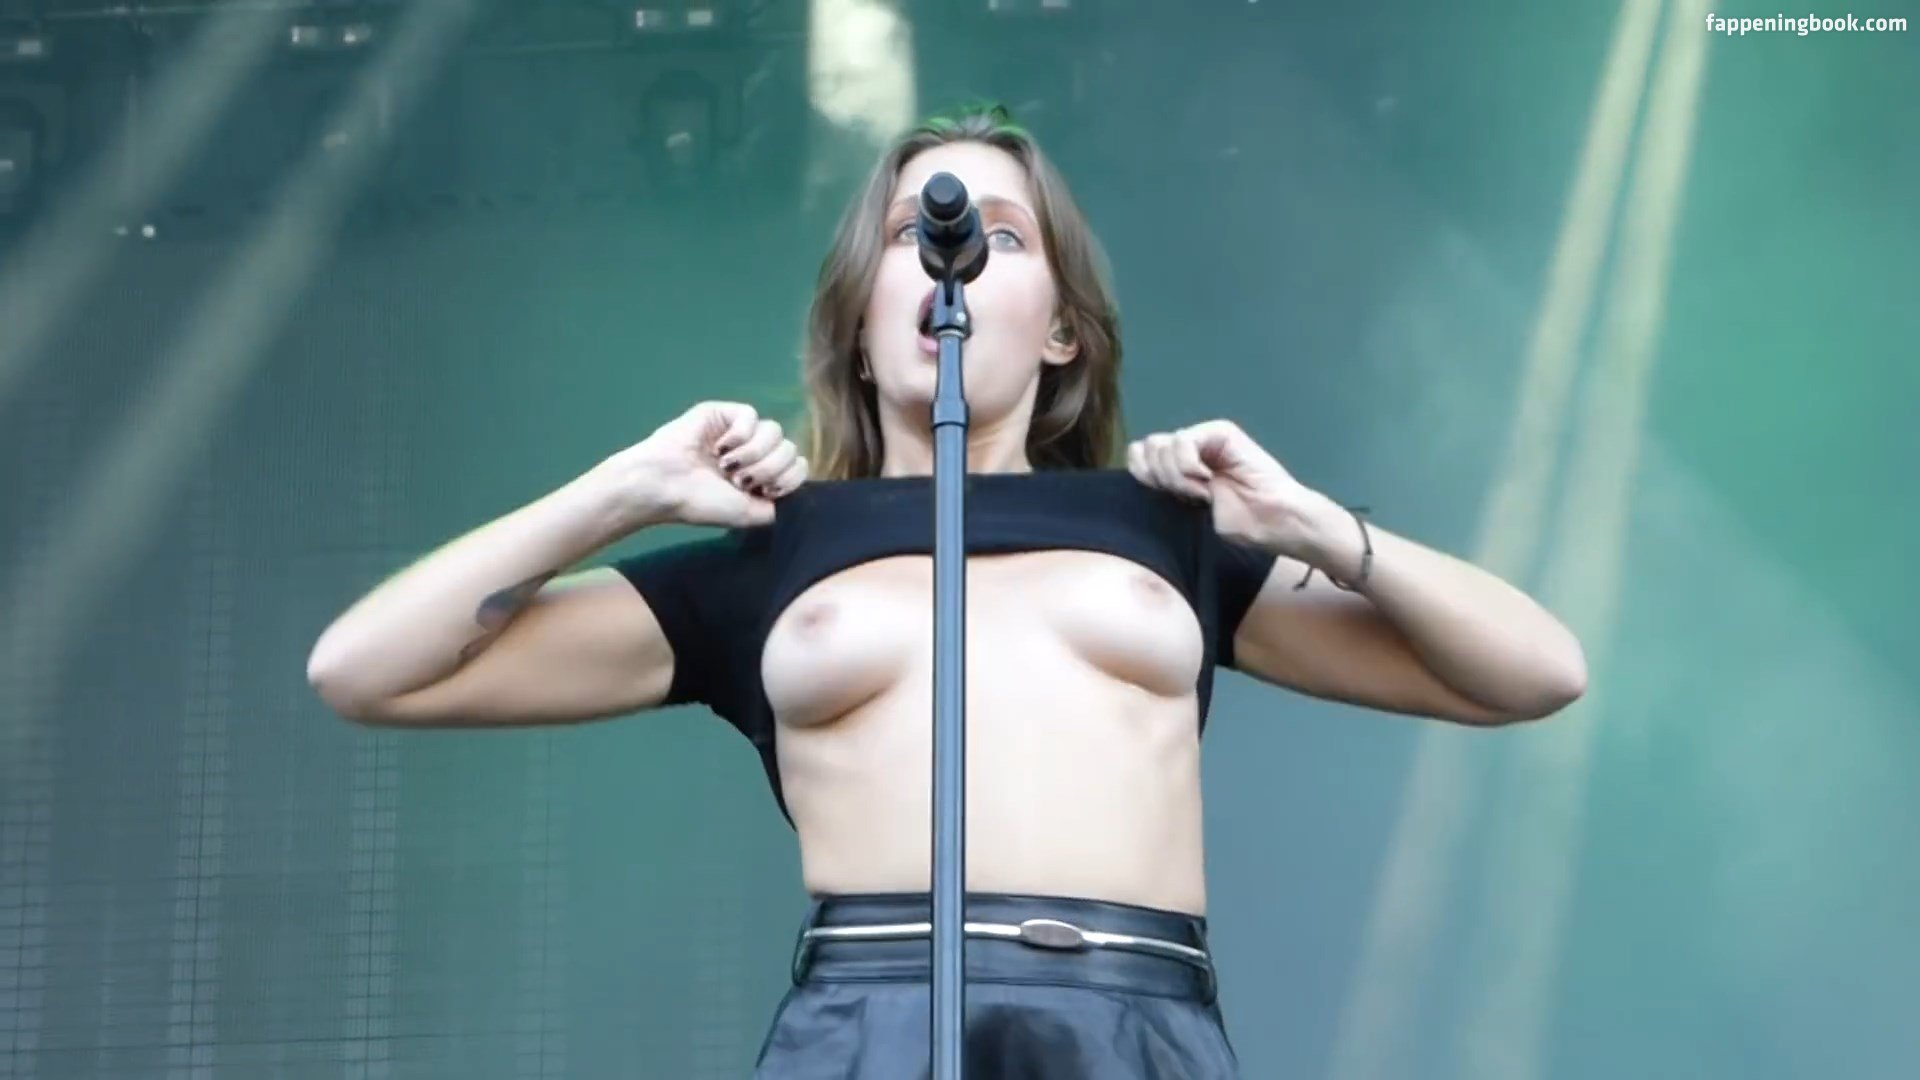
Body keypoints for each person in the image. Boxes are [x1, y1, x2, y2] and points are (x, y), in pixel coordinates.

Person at [306, 104, 1588, 1079]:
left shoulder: (1167, 531)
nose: (949, 257)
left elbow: (1535, 673)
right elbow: (362, 671)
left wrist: (1314, 524)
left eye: (1001, 235)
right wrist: (622, 492)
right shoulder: (771, 551)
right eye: (907, 237)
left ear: (1063, 326)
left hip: (1133, 1020)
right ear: (859, 323)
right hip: (867, 1018)